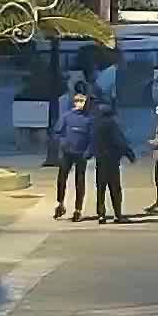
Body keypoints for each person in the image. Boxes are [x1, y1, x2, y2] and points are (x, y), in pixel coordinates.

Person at [51, 91, 95, 221]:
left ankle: (78, 209)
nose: (80, 104)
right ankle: (60, 203)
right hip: (67, 152)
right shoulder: (67, 116)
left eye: (82, 101)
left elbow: (92, 137)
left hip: (81, 153)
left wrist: (89, 151)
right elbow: (57, 132)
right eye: (78, 101)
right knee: (61, 179)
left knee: (80, 182)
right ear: (74, 102)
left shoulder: (89, 119)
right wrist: (62, 144)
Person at [90, 102, 135, 224]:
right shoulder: (112, 125)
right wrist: (129, 154)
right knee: (115, 189)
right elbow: (120, 141)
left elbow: (92, 142)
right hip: (112, 161)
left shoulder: (96, 125)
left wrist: (89, 154)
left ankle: (101, 215)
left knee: (101, 189)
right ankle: (117, 215)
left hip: (100, 161)